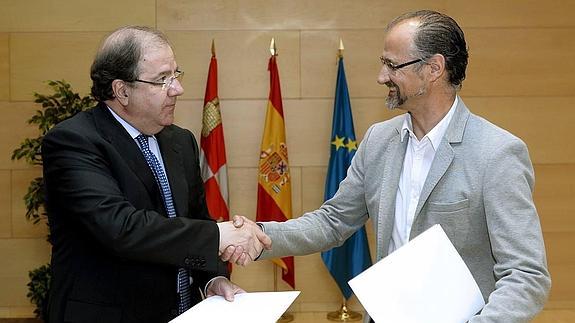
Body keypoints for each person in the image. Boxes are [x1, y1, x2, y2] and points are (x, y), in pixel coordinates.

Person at [226, 10, 551, 322]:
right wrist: (261, 236)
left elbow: (526, 275)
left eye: (393, 65)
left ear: (434, 68)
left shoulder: (497, 153)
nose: (382, 77)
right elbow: (333, 221)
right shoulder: (379, 140)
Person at [42, 26, 270, 323]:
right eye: (162, 79)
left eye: (176, 75)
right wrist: (219, 235)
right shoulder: (74, 141)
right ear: (121, 90)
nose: (177, 88)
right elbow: (121, 228)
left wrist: (212, 280)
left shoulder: (181, 141)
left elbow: (196, 220)